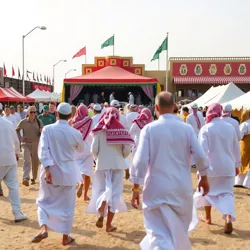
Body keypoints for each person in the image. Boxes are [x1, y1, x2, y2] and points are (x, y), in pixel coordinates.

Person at [130, 91, 209, 250]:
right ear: (175, 106)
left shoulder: (149, 129)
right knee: (178, 234)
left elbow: (140, 161)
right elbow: (200, 156)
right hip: (181, 189)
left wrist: (136, 187)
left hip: (156, 189)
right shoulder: (186, 129)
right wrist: (204, 177)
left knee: (158, 235)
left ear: (156, 108)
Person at [32, 103, 84, 245]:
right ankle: (65, 237)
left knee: (43, 202)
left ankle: (44, 228)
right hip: (68, 174)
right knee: (67, 207)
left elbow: (43, 150)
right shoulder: (75, 132)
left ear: (56, 114)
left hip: (51, 173)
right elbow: (81, 149)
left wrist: (48, 169)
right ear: (70, 116)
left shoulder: (48, 129)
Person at [194, 103, 240, 234]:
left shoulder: (206, 129)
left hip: (211, 168)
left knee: (206, 192)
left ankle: (208, 217)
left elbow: (201, 152)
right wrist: (237, 165)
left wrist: (200, 171)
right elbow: (236, 148)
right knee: (227, 194)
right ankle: (227, 218)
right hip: (228, 167)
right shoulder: (230, 128)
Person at [87, 107, 134, 232]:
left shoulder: (99, 130)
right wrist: (121, 157)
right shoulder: (122, 130)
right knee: (115, 194)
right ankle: (109, 225)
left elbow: (93, 150)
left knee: (102, 189)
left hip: (102, 165)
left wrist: (99, 158)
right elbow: (127, 150)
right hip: (117, 165)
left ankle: (101, 210)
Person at [0, 105, 27, 222]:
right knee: (13, 187)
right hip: (9, 158)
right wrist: (16, 152)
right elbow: (16, 141)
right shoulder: (8, 123)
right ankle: (17, 213)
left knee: (13, 186)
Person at [71, 104, 94, 201]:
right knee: (87, 173)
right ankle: (85, 195)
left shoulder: (72, 122)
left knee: (76, 169)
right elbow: (93, 133)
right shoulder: (90, 121)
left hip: (76, 148)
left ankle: (80, 183)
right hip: (88, 148)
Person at [16, 106, 43, 186]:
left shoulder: (39, 122)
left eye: (34, 112)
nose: (33, 114)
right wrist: (20, 138)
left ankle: (33, 178)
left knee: (35, 162)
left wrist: (41, 131)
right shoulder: (23, 122)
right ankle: (26, 178)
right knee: (27, 160)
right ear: (27, 112)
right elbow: (17, 130)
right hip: (26, 144)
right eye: (31, 112)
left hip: (36, 144)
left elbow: (43, 132)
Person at [235, 110, 250, 189]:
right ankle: (247, 183)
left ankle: (239, 182)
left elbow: (239, 136)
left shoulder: (245, 124)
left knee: (242, 162)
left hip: (245, 145)